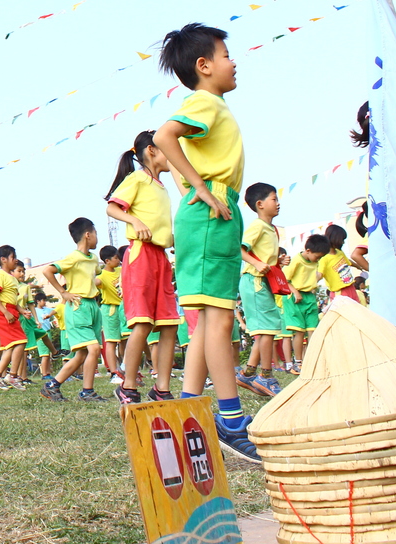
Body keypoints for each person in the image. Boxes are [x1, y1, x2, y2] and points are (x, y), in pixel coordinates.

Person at [151, 23, 259, 463]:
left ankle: (190, 411)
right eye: (227, 54)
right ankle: (231, 420)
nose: (234, 61)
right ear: (204, 65)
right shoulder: (204, 103)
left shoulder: (212, 105)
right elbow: (163, 136)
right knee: (217, 321)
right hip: (211, 212)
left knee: (206, 322)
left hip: (217, 211)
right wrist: (200, 187)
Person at [105, 129, 181, 404]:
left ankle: (161, 387)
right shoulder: (137, 178)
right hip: (140, 257)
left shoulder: (162, 186)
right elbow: (112, 207)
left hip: (161, 258)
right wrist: (134, 222)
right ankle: (127, 385)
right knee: (142, 323)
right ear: (151, 150)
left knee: (170, 323)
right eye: (167, 148)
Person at [39, 219, 106, 401]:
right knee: (93, 350)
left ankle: (52, 385)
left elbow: (95, 276)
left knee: (82, 353)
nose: (97, 238)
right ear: (87, 234)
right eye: (95, 233)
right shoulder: (73, 258)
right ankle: (87, 392)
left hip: (93, 306)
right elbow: (48, 270)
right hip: (78, 307)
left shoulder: (93, 259)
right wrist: (63, 292)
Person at [235, 183, 283, 397]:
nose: (278, 203)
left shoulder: (271, 228)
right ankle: (265, 376)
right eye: (274, 199)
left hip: (264, 282)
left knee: (267, 329)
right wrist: (256, 264)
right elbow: (239, 248)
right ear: (260, 204)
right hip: (254, 281)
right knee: (266, 329)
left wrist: (279, 260)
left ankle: (248, 373)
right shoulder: (257, 226)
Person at [0, 247, 27, 389]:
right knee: (21, 341)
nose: (15, 260)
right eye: (13, 257)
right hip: (3, 313)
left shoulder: (12, 279)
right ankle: (12, 375)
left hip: (11, 311)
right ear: (3, 259)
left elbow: (12, 300)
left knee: (11, 345)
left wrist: (22, 310)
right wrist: (5, 312)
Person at [95, 247, 124, 385]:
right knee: (111, 342)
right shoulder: (101, 277)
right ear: (107, 261)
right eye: (116, 258)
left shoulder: (121, 271)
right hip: (110, 309)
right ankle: (114, 372)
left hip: (124, 308)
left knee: (126, 340)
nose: (118, 261)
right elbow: (94, 283)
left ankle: (126, 369)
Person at [319, 224, 366, 302]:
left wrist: (359, 266)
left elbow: (348, 261)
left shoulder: (340, 252)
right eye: (342, 239)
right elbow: (319, 273)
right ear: (335, 239)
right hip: (340, 292)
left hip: (351, 287)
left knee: (356, 312)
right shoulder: (324, 258)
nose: (343, 242)